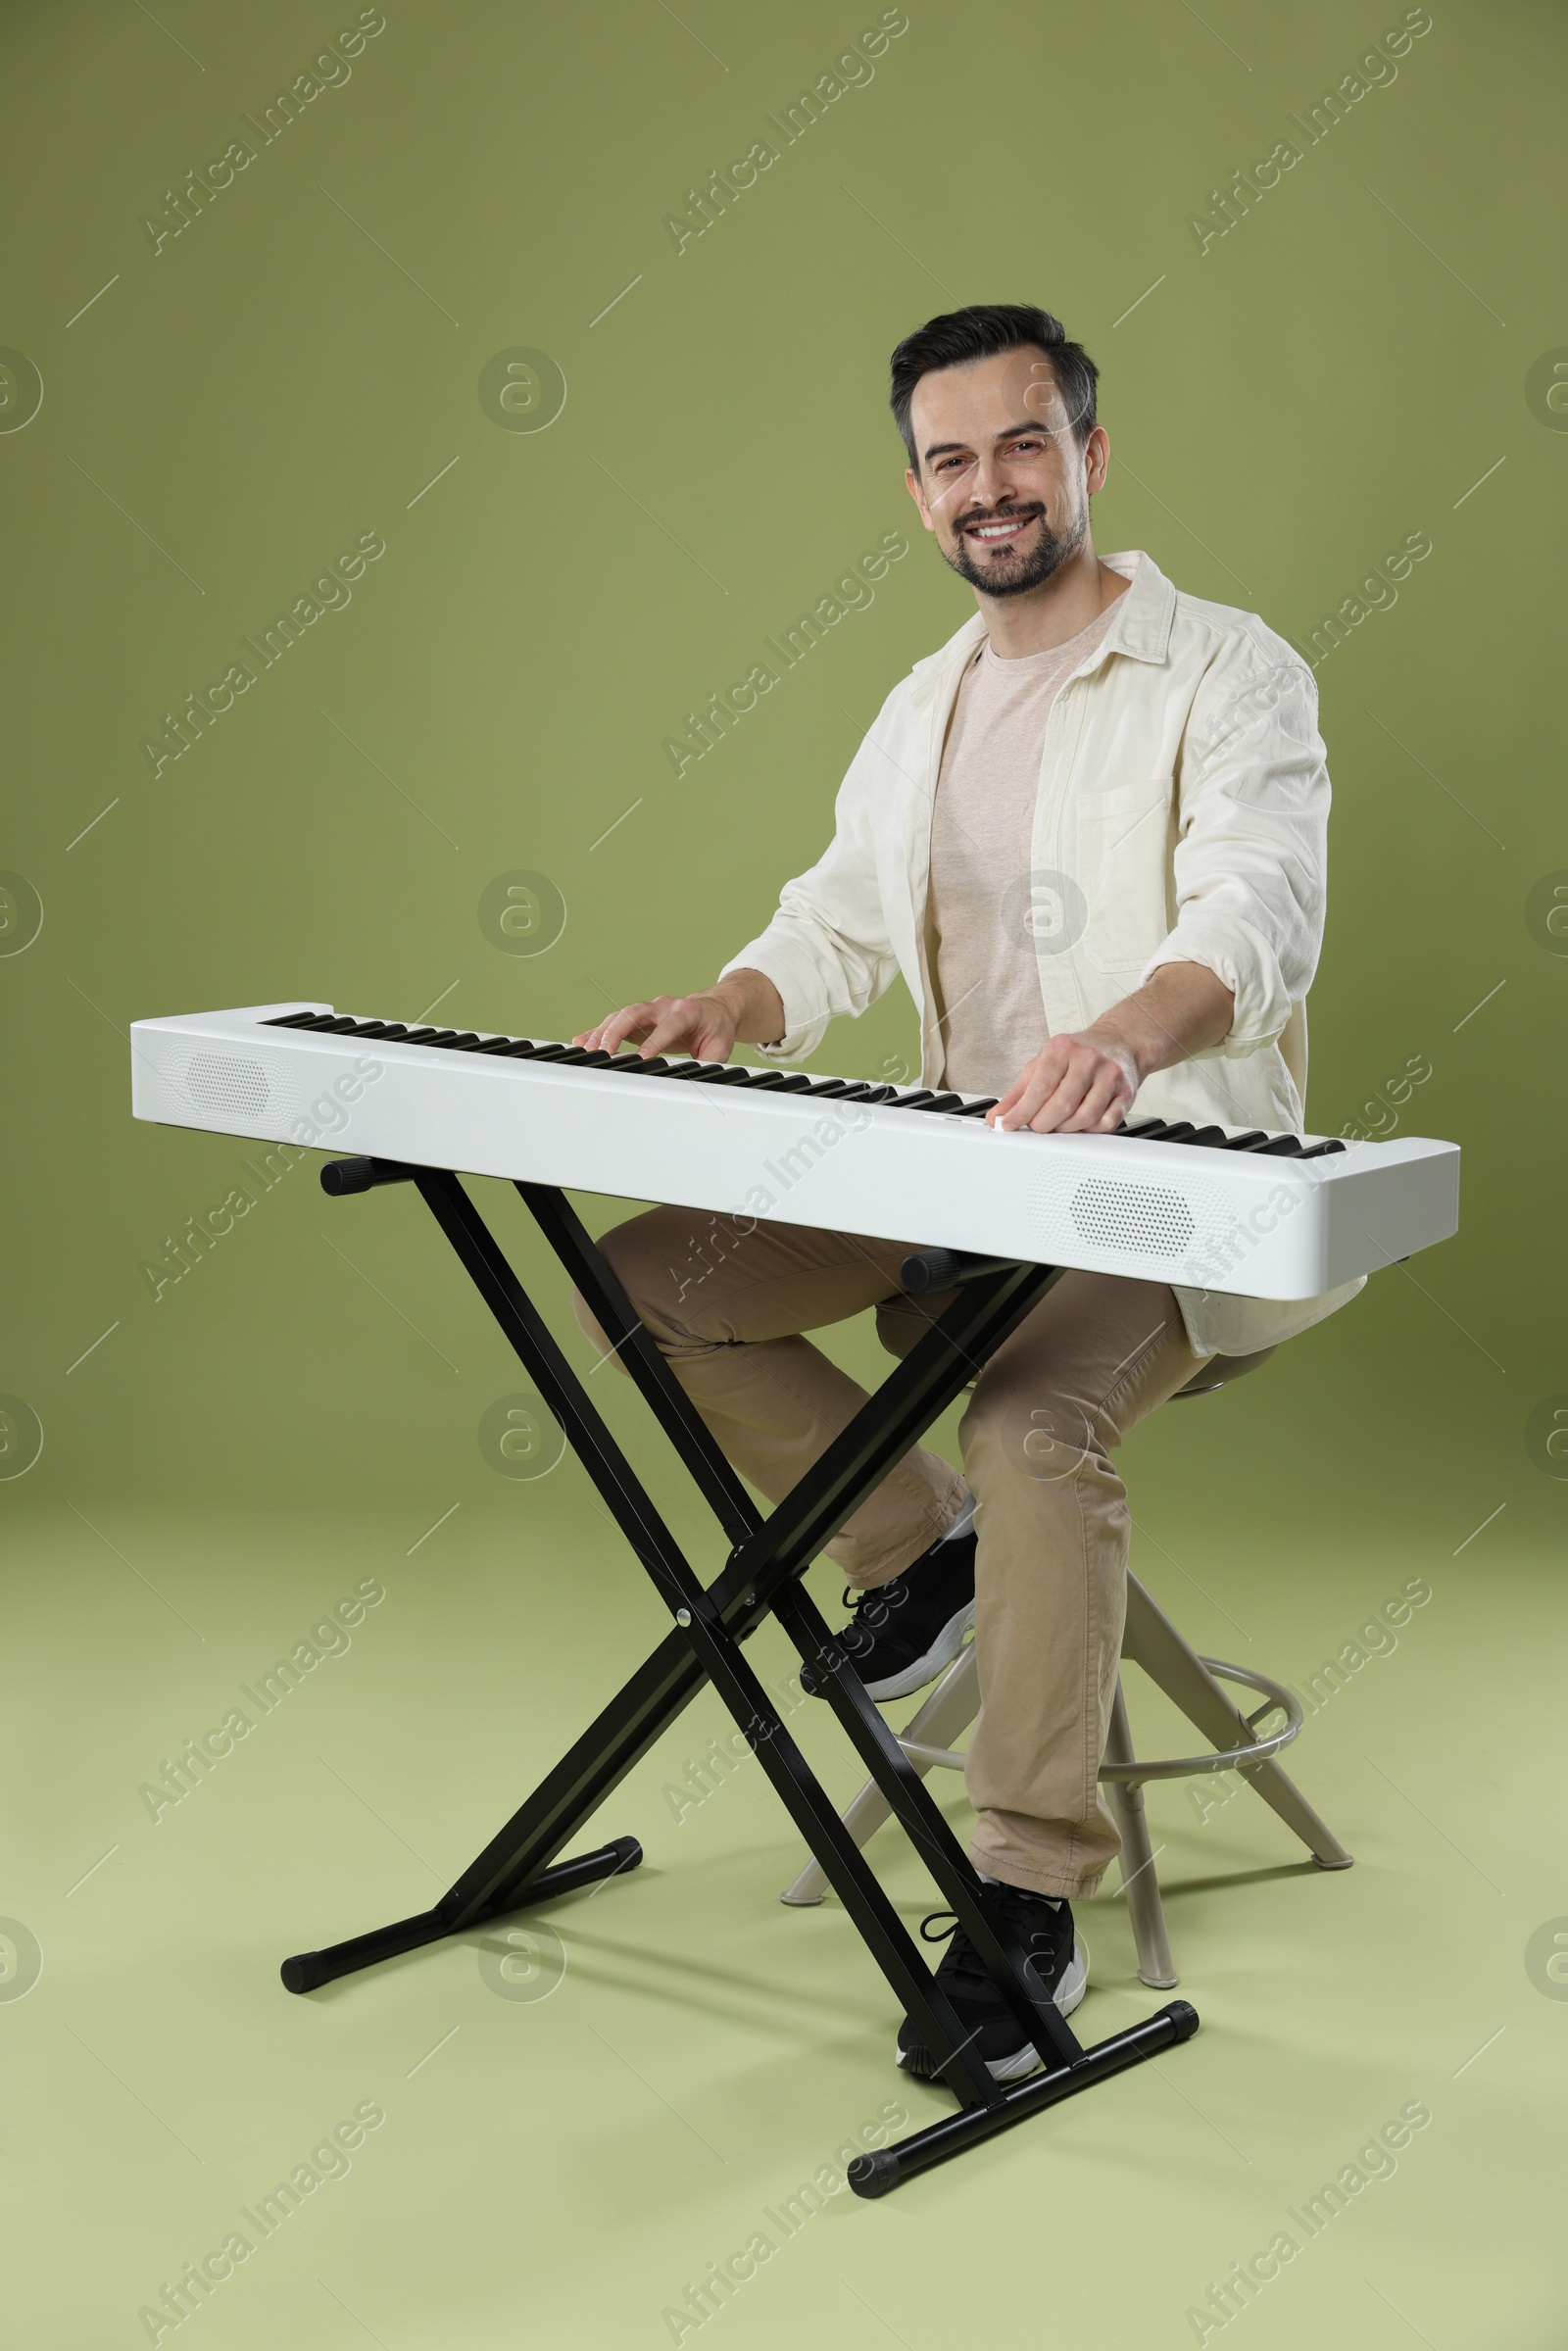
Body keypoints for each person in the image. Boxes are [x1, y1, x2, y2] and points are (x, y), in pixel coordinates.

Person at [572, 303, 1359, 2082]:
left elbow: (1260, 908)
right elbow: (836, 914)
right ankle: (912, 1555)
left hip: (1165, 1182)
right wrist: (736, 1002)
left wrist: (1126, 1036)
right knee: (648, 1273)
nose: (988, 488)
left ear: (1089, 453)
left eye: (1022, 446)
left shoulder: (1230, 670)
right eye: (950, 461)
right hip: (956, 1168)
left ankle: (1023, 1889)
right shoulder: (925, 701)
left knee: (1028, 1431)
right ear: (916, 493)